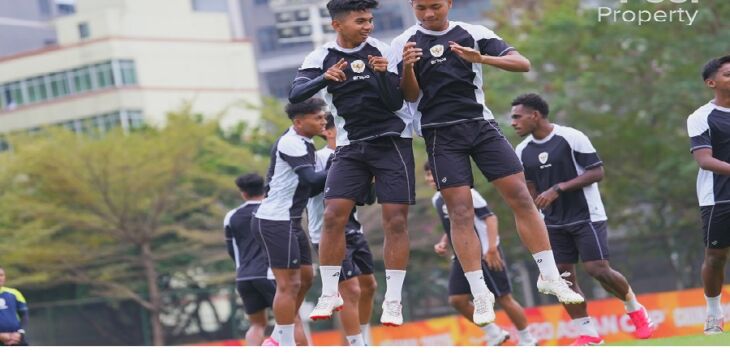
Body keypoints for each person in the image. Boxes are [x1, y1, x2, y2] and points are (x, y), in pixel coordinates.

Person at [391, 0, 583, 326]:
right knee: (461, 212)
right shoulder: (403, 42)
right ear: (412, 6)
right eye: (420, 7)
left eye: (434, 6)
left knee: (521, 196)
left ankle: (550, 276)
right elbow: (407, 97)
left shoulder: (473, 33)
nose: (428, 14)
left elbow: (522, 63)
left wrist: (481, 58)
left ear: (448, 3)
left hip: (481, 127)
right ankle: (480, 292)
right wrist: (408, 68)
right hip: (440, 134)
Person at [290, 0, 415, 327]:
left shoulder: (382, 50)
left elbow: (396, 101)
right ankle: (330, 291)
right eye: (361, 20)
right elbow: (296, 93)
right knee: (332, 215)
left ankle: (393, 299)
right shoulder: (320, 57)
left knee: (396, 221)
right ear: (338, 24)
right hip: (349, 146)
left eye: (370, 20)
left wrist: (384, 73)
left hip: (391, 142)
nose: (368, 26)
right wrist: (324, 80)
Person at [511, 93, 655, 345]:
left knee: (597, 269)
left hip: (586, 215)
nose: (513, 122)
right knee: (563, 279)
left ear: (535, 115)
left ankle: (635, 309)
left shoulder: (571, 136)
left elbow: (596, 172)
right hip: (552, 223)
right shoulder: (522, 150)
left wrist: (558, 188)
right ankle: (588, 334)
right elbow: (530, 186)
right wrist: (534, 207)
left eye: (517, 116)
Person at [425, 163, 538, 346]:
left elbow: (490, 218)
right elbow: (456, 224)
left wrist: (492, 249)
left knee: (504, 298)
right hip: (463, 257)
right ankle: (495, 334)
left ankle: (528, 340)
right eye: (427, 176)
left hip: (486, 253)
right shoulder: (437, 199)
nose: (430, 179)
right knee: (457, 300)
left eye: (432, 174)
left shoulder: (466, 192)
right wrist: (444, 242)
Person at [251, 98, 328, 346]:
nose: (323, 121)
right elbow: (311, 181)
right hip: (276, 221)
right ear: (298, 122)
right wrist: (345, 163)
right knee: (288, 284)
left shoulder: (305, 142)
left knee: (306, 276)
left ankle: (277, 335)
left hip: (292, 221)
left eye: (324, 117)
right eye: (317, 118)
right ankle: (281, 342)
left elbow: (313, 189)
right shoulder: (291, 142)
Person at [306, 114, 378, 346]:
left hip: (354, 229)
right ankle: (357, 345)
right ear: (327, 131)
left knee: (369, 286)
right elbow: (309, 186)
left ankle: (362, 338)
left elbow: (366, 198)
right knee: (352, 290)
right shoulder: (318, 158)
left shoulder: (356, 155)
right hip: (328, 233)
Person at [225, 173, 307, 346]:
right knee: (293, 319)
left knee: (256, 324)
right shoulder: (272, 211)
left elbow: (232, 250)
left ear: (243, 193)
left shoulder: (232, 216)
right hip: (272, 275)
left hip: (244, 277)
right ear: (264, 188)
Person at [687, 55, 730, 336]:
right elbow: (704, 159)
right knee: (715, 257)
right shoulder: (700, 117)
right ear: (711, 83)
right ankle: (714, 314)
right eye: (728, 74)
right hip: (718, 197)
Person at [0, 267, 29, 346]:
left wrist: (20, 333)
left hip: (16, 339)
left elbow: (24, 316)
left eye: (1, 275)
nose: (0, 278)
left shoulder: (14, 293)